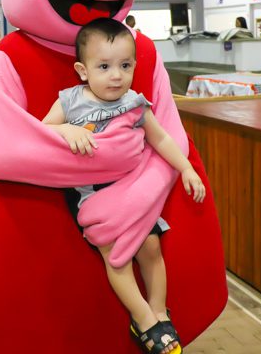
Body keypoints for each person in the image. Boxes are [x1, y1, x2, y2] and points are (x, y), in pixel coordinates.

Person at [42, 18, 205, 354]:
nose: (116, 75)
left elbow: (161, 139)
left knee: (151, 247)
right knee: (116, 257)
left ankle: (160, 310)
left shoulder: (134, 103)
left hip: (134, 193)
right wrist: (66, 131)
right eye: (104, 66)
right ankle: (143, 318)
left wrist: (187, 168)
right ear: (82, 70)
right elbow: (40, 130)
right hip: (95, 197)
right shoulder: (71, 102)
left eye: (125, 65)